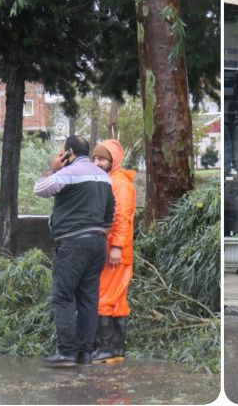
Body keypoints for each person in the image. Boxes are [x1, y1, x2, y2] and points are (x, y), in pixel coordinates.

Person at [33, 135, 115, 367]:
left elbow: (40, 189)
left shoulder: (69, 173)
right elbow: (110, 216)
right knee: (89, 299)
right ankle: (85, 353)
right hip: (98, 242)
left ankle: (67, 352)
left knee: (64, 296)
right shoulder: (104, 178)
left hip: (72, 243)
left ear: (69, 152)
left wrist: (53, 167)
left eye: (62, 153)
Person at [90, 140, 135, 364]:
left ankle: (105, 349)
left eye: (102, 159)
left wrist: (116, 247)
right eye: (95, 158)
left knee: (104, 298)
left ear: (113, 161)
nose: (97, 163)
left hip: (115, 251)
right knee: (117, 301)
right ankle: (117, 349)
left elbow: (122, 217)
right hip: (116, 250)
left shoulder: (119, 184)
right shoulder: (113, 180)